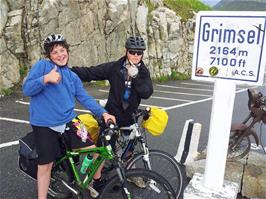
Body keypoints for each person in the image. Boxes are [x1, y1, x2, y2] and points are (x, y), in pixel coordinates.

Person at [22, 34, 115, 199]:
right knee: (46, 165)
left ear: (67, 51)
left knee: (96, 151)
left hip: (69, 120)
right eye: (55, 52)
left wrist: (104, 113)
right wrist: (46, 78)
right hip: (45, 123)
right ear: (49, 55)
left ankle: (90, 182)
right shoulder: (43, 66)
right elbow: (27, 89)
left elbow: (84, 97)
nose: (60, 55)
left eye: (62, 50)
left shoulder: (72, 76)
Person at [71, 36, 153, 128]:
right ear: (126, 51)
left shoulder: (143, 72)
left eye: (139, 52)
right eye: (132, 52)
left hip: (131, 118)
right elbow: (90, 73)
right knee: (105, 141)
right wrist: (67, 71)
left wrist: (136, 76)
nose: (136, 55)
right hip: (112, 116)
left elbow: (146, 93)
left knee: (135, 141)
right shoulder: (115, 67)